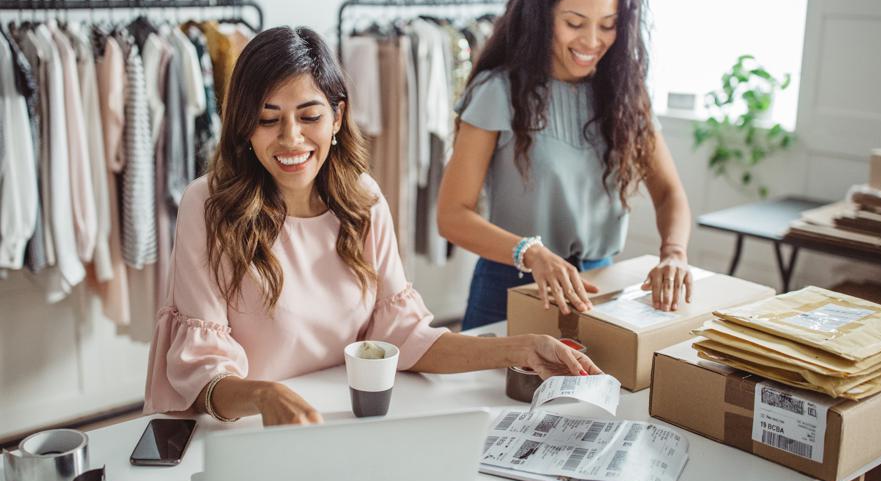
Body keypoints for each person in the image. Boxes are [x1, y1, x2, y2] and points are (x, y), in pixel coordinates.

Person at [144, 26, 600, 426]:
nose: (290, 138)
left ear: (337, 117)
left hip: (339, 423)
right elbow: (203, 374)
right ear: (244, 126)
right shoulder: (207, 205)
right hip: (245, 428)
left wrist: (518, 349)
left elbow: (404, 334)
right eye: (268, 119)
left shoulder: (362, 200)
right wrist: (265, 395)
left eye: (309, 116)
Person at [438, 0, 693, 331]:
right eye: (574, 23)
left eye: (607, 26)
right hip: (512, 285)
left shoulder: (626, 96)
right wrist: (531, 252)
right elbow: (452, 216)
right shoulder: (498, 92)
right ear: (542, 19)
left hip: (600, 289)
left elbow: (669, 193)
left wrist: (674, 254)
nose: (592, 42)